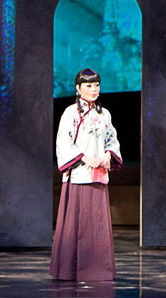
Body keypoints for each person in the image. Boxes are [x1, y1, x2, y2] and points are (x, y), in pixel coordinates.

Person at [49, 68, 122, 282]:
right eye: (88, 85)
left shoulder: (104, 114)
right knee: (76, 225)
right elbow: (64, 142)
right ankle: (70, 270)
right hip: (79, 175)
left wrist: (108, 154)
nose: (93, 89)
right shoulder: (71, 113)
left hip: (98, 174)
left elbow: (112, 139)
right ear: (78, 88)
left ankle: (98, 270)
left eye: (96, 85)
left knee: (97, 224)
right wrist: (84, 158)